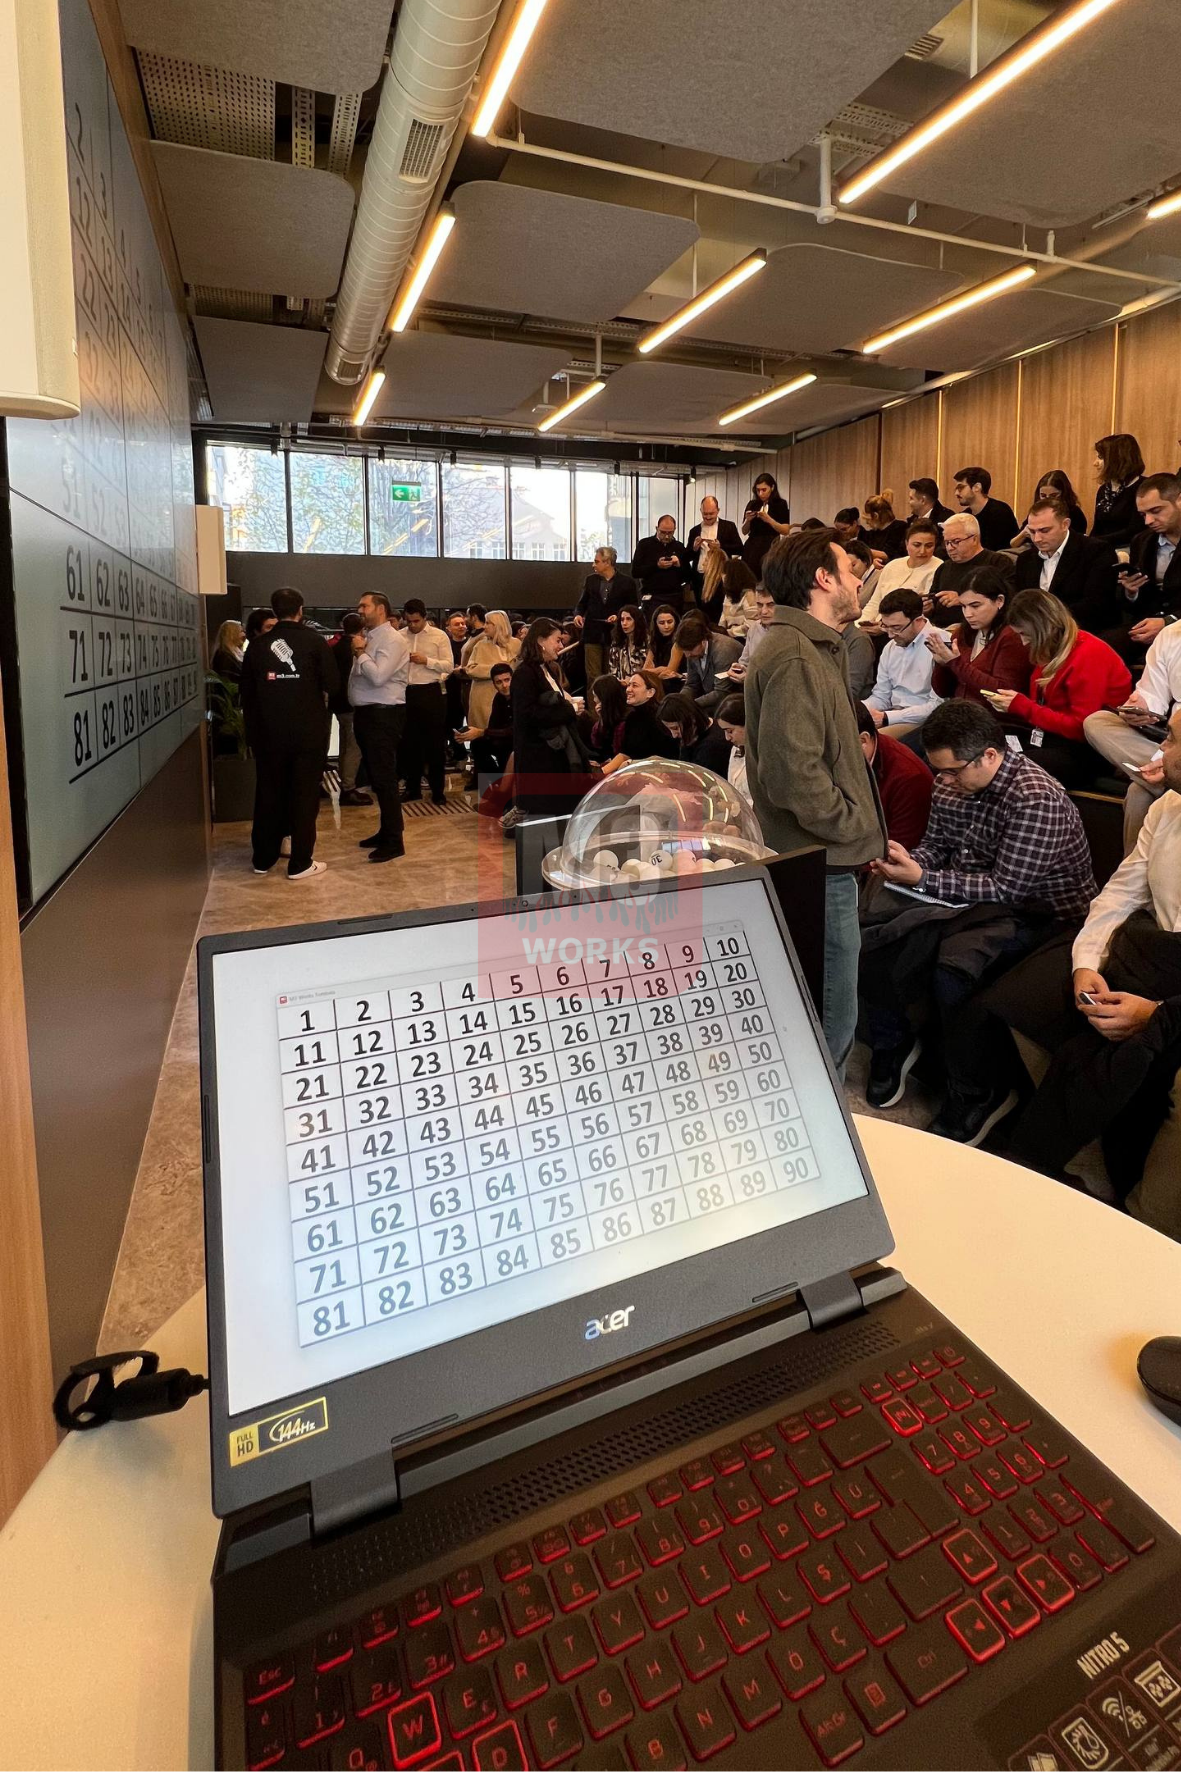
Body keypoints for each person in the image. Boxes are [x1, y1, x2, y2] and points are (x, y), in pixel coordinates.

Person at [862, 699, 1095, 1144]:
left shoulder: (1035, 798)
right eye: (940, 771)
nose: (944, 781)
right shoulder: (950, 783)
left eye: (953, 771)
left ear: (990, 755)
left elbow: (1008, 888)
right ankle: (892, 1043)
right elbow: (938, 846)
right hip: (971, 900)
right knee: (872, 927)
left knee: (955, 968)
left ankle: (978, 1090)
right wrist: (910, 860)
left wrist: (924, 878)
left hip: (1045, 917)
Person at [989, 705, 1181, 1233]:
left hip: (1170, 993)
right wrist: (1086, 965)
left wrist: (1156, 1015)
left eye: (1172, 742)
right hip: (1155, 953)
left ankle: (1141, 1211)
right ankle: (1083, 1153)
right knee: (1023, 999)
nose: (1160, 752)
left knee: (1143, 1062)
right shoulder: (1167, 808)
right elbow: (1120, 894)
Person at [744, 530, 886, 1073]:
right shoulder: (798, 655)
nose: (858, 580)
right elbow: (793, 776)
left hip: (821, 858)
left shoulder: (813, 647)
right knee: (830, 1023)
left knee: (824, 1017)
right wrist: (852, 824)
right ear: (823, 579)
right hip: (820, 862)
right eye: (850, 569)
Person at [239, 587, 337, 881]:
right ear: (301, 609)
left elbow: (246, 693)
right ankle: (300, 863)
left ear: (274, 610)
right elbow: (333, 683)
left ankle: (263, 858)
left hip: (268, 734)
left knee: (268, 794)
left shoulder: (257, 646)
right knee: (304, 796)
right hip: (307, 734)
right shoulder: (315, 642)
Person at [988, 588, 1132, 788]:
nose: (1023, 642)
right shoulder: (1050, 650)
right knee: (987, 750)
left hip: (1089, 751)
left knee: (1006, 767)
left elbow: (1081, 728)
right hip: (1053, 739)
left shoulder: (1089, 654)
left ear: (1043, 627)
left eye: (1025, 634)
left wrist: (1022, 706)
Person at [1085, 619, 1181, 848]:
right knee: (1096, 722)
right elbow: (1152, 696)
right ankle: (1169, 777)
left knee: (1139, 792)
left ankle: (1166, 776)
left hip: (1173, 747)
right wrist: (1139, 708)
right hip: (1168, 742)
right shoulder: (1171, 635)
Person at [349, 589, 411, 864]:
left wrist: (360, 653)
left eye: (364, 606)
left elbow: (378, 677)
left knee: (385, 779)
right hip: (369, 714)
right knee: (377, 777)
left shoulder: (393, 639)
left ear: (381, 609)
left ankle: (394, 841)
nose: (360, 610)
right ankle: (386, 831)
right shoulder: (371, 636)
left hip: (383, 715)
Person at [511, 618, 591, 814]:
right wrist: (569, 710)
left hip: (554, 753)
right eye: (557, 640)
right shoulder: (524, 673)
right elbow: (528, 714)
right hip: (538, 757)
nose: (561, 646)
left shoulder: (547, 669)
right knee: (544, 818)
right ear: (540, 641)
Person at [924, 564, 1028, 709]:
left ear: (999, 601)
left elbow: (1002, 693)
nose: (968, 614)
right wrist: (942, 665)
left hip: (996, 719)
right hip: (961, 714)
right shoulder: (961, 633)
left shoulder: (1013, 636)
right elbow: (943, 691)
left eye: (975, 606)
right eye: (963, 606)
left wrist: (955, 663)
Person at [1013, 495, 1117, 632]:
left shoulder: (1096, 551)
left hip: (1082, 630)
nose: (1037, 539)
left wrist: (1048, 622)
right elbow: (1021, 603)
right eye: (1032, 532)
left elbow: (1096, 605)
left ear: (1065, 525)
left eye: (1044, 531)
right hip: (1036, 633)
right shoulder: (1025, 560)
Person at [1109, 472, 1181, 665]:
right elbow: (1136, 605)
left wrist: (1168, 622)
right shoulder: (1142, 541)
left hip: (1176, 624)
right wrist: (1131, 592)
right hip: (1148, 622)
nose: (1148, 521)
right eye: (1143, 514)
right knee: (1099, 649)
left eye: (1156, 511)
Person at [864, 589, 943, 738]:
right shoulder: (891, 647)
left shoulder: (941, 643)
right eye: (885, 626)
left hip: (924, 721)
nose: (890, 635)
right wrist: (859, 709)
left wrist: (888, 717)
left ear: (918, 620)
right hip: (891, 714)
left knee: (867, 741)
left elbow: (937, 705)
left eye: (896, 628)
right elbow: (881, 695)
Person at [855, 699, 933, 849]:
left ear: (863, 740)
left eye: (833, 746)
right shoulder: (853, 758)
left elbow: (898, 849)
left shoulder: (910, 779)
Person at [398, 599, 452, 805]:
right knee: (409, 743)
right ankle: (413, 788)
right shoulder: (399, 636)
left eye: (416, 621)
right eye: (409, 621)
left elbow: (449, 666)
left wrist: (426, 661)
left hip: (430, 691)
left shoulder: (439, 636)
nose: (413, 625)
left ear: (424, 617)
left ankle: (438, 790)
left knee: (435, 744)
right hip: (406, 692)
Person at [926, 512, 1014, 627]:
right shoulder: (944, 567)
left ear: (974, 539)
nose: (949, 548)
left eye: (956, 542)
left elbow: (1008, 600)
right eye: (946, 542)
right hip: (941, 629)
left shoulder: (998, 562)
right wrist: (928, 607)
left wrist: (962, 599)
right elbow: (934, 600)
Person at [858, 519, 940, 627]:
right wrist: (858, 625)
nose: (922, 551)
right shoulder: (892, 565)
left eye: (929, 546)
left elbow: (921, 612)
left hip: (905, 629)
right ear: (906, 544)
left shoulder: (938, 568)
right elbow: (875, 603)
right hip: (876, 624)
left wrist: (884, 627)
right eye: (917, 545)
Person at [573, 545, 634, 684]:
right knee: (592, 676)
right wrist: (578, 615)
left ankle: (611, 699)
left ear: (607, 562)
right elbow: (582, 603)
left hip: (615, 634)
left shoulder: (627, 582)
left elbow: (632, 608)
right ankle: (594, 699)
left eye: (597, 561)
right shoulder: (590, 580)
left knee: (612, 673)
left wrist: (619, 617)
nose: (593, 565)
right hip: (592, 633)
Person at [598, 672, 677, 774]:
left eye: (634, 686)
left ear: (650, 692)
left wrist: (631, 764)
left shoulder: (661, 718)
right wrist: (601, 773)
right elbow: (625, 753)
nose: (628, 689)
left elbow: (666, 757)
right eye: (628, 685)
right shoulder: (632, 717)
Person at [331, 612, 371, 806]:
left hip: (338, 702)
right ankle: (349, 788)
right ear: (362, 629)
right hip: (351, 701)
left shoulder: (336, 647)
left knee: (345, 743)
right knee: (353, 747)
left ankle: (345, 782)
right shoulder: (355, 649)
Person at [458, 659, 514, 783]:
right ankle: (498, 781)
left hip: (519, 740)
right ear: (494, 684)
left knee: (503, 747)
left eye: (507, 680)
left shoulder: (521, 697)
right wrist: (469, 734)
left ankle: (503, 783)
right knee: (477, 744)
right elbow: (493, 725)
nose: (504, 685)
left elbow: (516, 730)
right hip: (503, 738)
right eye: (499, 682)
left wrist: (482, 732)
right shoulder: (499, 698)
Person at [464, 609, 520, 729]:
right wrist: (497, 670)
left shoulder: (516, 645)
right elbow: (470, 669)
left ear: (498, 625)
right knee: (484, 732)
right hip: (484, 698)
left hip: (510, 699)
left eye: (488, 623)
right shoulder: (481, 645)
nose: (484, 626)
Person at [675, 612, 741, 711]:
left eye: (690, 650)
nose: (687, 655)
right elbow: (691, 685)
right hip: (711, 701)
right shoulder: (691, 651)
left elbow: (721, 692)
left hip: (732, 705)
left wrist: (690, 705)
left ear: (702, 641)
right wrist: (680, 701)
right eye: (684, 651)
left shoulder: (724, 650)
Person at [656, 692, 732, 777]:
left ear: (691, 719)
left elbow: (696, 778)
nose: (674, 735)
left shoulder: (712, 745)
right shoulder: (693, 733)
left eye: (675, 728)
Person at [1091, 432, 1146, 546]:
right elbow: (1097, 528)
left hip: (1130, 549)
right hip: (1103, 547)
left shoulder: (1143, 487)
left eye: (1100, 457)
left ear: (1117, 459)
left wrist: (1095, 542)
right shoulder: (1104, 489)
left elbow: (1134, 531)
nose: (1095, 463)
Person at [952, 466, 1019, 553]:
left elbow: (996, 550)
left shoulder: (1000, 512)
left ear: (977, 487)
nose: (956, 493)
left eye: (961, 488)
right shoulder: (965, 516)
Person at [1012, 469, 1088, 545]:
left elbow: (1077, 543)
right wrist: (1024, 533)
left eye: (1053, 496)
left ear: (1064, 494)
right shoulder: (1036, 513)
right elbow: (1013, 544)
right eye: (1043, 496)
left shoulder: (1075, 513)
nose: (1048, 500)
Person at [631, 514, 690, 611]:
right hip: (652, 595)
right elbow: (635, 572)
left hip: (674, 596)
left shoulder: (679, 547)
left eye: (670, 533)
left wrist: (679, 565)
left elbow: (688, 576)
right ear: (657, 529)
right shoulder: (644, 545)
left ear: (675, 530)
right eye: (663, 532)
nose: (666, 536)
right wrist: (656, 565)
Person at [686, 494, 742, 596]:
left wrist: (721, 546)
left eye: (711, 514)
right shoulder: (694, 530)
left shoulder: (729, 526)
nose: (708, 517)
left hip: (720, 576)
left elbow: (739, 549)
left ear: (718, 511)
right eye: (705, 514)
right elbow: (687, 556)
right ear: (700, 511)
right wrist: (695, 548)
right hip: (700, 576)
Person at [740, 473, 791, 576]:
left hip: (770, 544)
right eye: (758, 490)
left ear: (772, 487)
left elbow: (785, 530)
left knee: (767, 574)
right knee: (749, 575)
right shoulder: (752, 504)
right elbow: (744, 531)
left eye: (764, 490)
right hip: (752, 545)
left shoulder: (780, 504)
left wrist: (769, 520)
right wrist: (748, 520)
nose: (761, 494)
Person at [715, 692, 755, 812]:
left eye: (730, 731)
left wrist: (733, 807)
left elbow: (768, 805)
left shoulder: (767, 758)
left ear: (747, 724)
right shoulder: (736, 749)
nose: (727, 738)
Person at [726, 585, 776, 682]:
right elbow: (744, 662)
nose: (764, 611)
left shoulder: (790, 633)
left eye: (770, 605)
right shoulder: (754, 628)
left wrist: (749, 678)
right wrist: (738, 669)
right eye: (760, 605)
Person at [586, 673, 629, 765]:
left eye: (595, 696)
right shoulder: (609, 716)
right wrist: (601, 719)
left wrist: (602, 766)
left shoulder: (624, 723)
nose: (594, 700)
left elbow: (619, 754)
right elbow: (596, 742)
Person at [643, 603, 684, 687]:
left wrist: (654, 671)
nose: (666, 626)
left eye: (670, 622)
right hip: (658, 683)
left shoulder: (679, 642)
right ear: (656, 624)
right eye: (662, 623)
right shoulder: (654, 641)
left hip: (676, 683)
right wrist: (660, 669)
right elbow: (644, 671)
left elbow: (669, 673)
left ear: (676, 622)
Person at [717, 558, 760, 637]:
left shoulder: (750, 595)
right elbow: (723, 618)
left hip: (745, 638)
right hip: (729, 636)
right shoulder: (729, 594)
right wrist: (720, 632)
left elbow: (752, 624)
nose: (721, 576)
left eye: (724, 573)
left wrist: (729, 633)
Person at [861, 492, 907, 560]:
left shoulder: (900, 528)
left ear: (876, 516)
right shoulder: (873, 533)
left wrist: (862, 551)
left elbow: (889, 554)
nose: (867, 523)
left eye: (868, 519)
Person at [608, 604, 648, 680]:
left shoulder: (647, 642)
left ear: (637, 621)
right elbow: (612, 669)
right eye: (622, 620)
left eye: (629, 619)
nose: (624, 623)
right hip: (620, 683)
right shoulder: (616, 642)